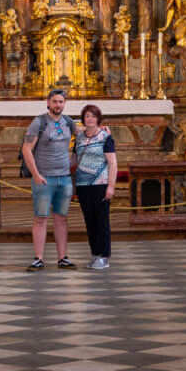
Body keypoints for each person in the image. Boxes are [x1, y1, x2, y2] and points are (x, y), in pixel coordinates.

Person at [21, 88, 79, 271]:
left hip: (64, 178)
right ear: (48, 103)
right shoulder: (39, 122)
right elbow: (26, 149)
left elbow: (85, 135)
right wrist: (36, 175)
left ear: (65, 104)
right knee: (41, 218)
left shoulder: (68, 122)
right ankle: (38, 258)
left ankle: (63, 258)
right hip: (44, 178)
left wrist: (101, 129)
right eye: (54, 101)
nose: (58, 105)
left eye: (61, 102)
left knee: (61, 219)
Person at [74, 104, 117, 270]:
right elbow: (74, 160)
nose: (89, 119)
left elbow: (112, 163)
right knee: (90, 221)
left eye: (92, 116)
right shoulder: (79, 138)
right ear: (83, 119)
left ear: (98, 118)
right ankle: (95, 254)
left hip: (100, 183)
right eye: (86, 116)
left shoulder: (105, 137)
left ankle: (105, 256)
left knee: (102, 221)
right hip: (83, 185)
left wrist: (111, 187)